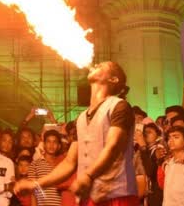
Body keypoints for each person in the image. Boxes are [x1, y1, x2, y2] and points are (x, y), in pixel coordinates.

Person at [15, 61, 138, 206]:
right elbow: (69, 163)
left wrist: (88, 175)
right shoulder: (81, 118)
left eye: (103, 65)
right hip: (88, 199)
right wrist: (35, 184)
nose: (97, 64)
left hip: (117, 197)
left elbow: (113, 146)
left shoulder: (119, 106)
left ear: (113, 79)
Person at [27, 130, 62, 206]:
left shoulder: (63, 165)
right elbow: (33, 192)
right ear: (44, 145)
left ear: (59, 146)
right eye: (48, 141)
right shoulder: (35, 164)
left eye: (54, 142)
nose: (51, 145)